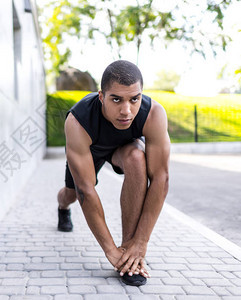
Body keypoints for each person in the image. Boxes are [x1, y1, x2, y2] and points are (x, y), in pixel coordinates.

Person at [57, 60, 170, 286]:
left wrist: (140, 242)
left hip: (124, 149)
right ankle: (62, 208)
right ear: (101, 96)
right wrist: (110, 251)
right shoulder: (78, 121)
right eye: (116, 99)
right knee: (71, 193)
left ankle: (131, 256)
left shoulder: (153, 114)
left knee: (137, 158)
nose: (126, 110)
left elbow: (161, 178)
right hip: (91, 149)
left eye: (134, 99)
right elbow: (86, 190)